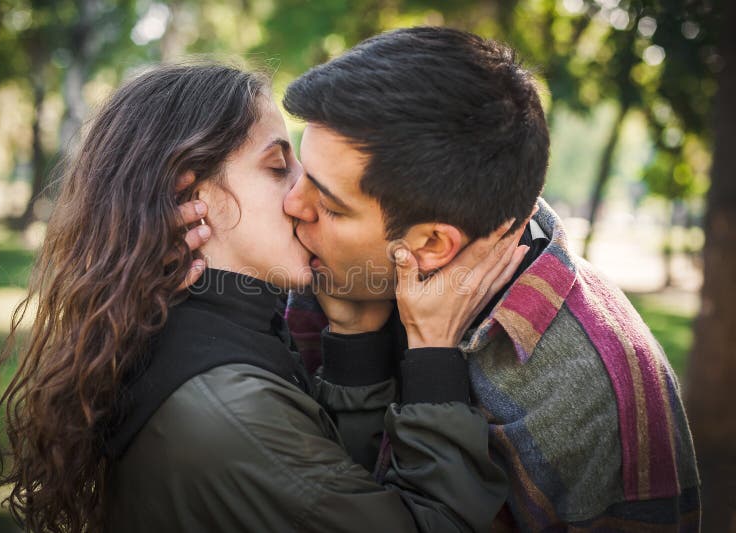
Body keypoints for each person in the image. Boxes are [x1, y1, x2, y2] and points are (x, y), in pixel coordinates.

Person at [0, 62, 516, 533]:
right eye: (277, 166)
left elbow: (325, 486)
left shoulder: (193, 324)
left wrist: (354, 337)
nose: (304, 194)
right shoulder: (226, 406)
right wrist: (432, 353)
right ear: (192, 192)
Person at [272, 27, 700, 530]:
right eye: (300, 172)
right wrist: (356, 344)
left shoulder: (590, 397)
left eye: (329, 204)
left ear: (432, 245)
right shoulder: (339, 275)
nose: (291, 204)